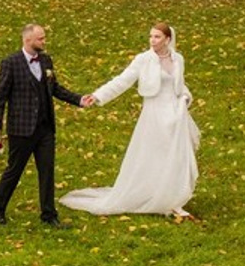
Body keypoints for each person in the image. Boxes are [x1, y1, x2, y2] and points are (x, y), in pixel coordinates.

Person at [61, 21, 200, 219]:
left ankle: (173, 199)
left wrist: (185, 98)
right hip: (155, 112)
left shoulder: (178, 59)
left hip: (176, 113)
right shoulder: (144, 60)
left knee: (175, 155)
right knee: (154, 154)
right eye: (151, 36)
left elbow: (180, 85)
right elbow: (123, 80)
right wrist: (98, 95)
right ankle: (152, 194)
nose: (152, 40)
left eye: (157, 37)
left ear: (168, 39)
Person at [0, 23, 90, 229]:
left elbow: (55, 88)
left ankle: (49, 215)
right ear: (27, 40)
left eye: (44, 38)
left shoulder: (45, 60)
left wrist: (79, 100)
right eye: (40, 39)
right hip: (21, 129)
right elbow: (0, 97)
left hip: (45, 128)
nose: (44, 42)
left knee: (47, 171)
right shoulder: (11, 63)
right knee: (14, 170)